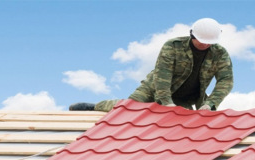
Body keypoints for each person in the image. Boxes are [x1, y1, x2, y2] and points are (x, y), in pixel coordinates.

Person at [69, 18, 233, 112]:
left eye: (209, 42)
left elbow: (226, 80)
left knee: (184, 123)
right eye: (202, 41)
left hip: (185, 98)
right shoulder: (173, 46)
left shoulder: (220, 54)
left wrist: (210, 103)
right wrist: (166, 101)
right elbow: (163, 74)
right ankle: (96, 106)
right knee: (129, 110)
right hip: (155, 88)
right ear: (192, 35)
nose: (205, 45)